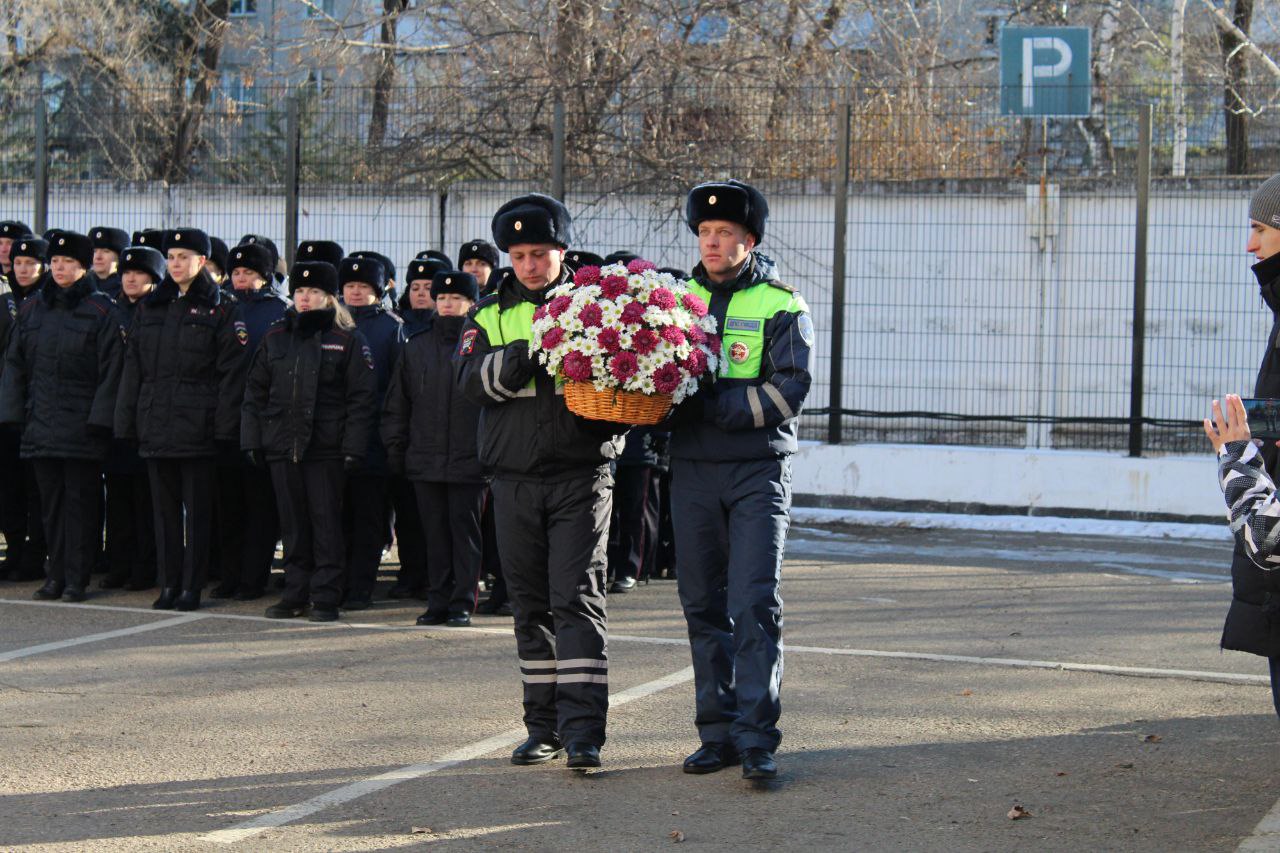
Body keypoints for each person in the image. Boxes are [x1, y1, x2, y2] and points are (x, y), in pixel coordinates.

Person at [456, 193, 625, 770]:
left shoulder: (597, 305)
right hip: (512, 479)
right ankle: (543, 727)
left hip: (581, 476)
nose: (530, 264)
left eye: (541, 253)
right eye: (520, 254)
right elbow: (470, 382)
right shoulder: (488, 312)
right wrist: (530, 352)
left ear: (563, 251)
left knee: (577, 602)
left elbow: (623, 381)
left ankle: (584, 733)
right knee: (529, 608)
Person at [667, 179, 812, 780]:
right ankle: (717, 733)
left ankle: (757, 737)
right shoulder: (671, 301)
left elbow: (791, 388)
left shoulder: (782, 303)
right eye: (704, 232)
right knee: (702, 604)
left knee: (753, 604)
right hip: (692, 471)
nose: (712, 242)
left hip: (757, 471)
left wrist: (715, 408)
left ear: (749, 240)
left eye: (724, 233)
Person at [114, 227, 248, 611]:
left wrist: (223, 428)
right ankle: (169, 584)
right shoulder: (152, 307)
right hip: (157, 423)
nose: (175, 264)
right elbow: (133, 369)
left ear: (201, 262)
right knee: (164, 514)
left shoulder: (222, 309)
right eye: (171, 257)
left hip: (199, 428)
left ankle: (192, 586)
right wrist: (127, 421)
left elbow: (230, 375)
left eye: (183, 257)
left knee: (199, 515)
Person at [241, 261, 376, 622]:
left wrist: (352, 447)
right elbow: (255, 392)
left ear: (330, 298)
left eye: (314, 292)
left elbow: (361, 399)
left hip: (326, 449)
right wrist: (253, 439)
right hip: (282, 446)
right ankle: (295, 592)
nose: (305, 298)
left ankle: (326, 595)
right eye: (300, 291)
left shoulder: (347, 340)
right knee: (293, 525)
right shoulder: (275, 337)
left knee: (326, 524)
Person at [0, 231, 124, 602]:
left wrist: (99, 422)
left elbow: (111, 372)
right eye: (55, 262)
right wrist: (13, 415)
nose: (59, 269)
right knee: (50, 507)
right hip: (41, 425)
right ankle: (54, 575)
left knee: (80, 507)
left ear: (82, 267)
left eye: (68, 263)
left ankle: (76, 578)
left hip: (82, 429)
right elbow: (15, 365)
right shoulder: (33, 309)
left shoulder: (101, 310)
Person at [384, 270, 485, 627]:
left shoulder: (481, 344)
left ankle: (462, 601)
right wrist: (397, 447)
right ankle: (438, 599)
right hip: (425, 458)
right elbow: (399, 402)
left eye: (455, 299)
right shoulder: (417, 346)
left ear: (471, 303)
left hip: (469, 459)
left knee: (464, 534)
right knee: (435, 535)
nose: (447, 305)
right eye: (442, 298)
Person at [210, 243, 288, 600]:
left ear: (265, 276)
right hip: (224, 418)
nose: (242, 279)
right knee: (228, 507)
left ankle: (254, 577)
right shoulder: (221, 307)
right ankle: (230, 575)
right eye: (237, 273)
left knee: (260, 506)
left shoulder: (278, 312)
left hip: (262, 421)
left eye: (250, 274)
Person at [338, 255, 405, 609]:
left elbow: (396, 386)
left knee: (367, 516)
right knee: (338, 515)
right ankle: (339, 579)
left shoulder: (390, 328)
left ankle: (361, 585)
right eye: (350, 286)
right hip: (336, 437)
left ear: (378, 291)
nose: (356, 292)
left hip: (373, 438)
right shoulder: (334, 323)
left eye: (363, 287)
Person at [100, 246, 165, 591]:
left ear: (153, 278)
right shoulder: (112, 312)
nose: (130, 278)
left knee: (146, 497)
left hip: (148, 415)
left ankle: (146, 564)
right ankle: (119, 562)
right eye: (126, 272)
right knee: (119, 495)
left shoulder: (158, 312)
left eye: (138, 273)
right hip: (115, 414)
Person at [0, 234, 48, 581]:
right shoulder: (6, 298)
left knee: (36, 489)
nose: (23, 269)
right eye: (18, 263)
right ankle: (15, 549)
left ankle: (35, 554)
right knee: (10, 486)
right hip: (8, 410)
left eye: (30, 263)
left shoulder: (45, 301)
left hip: (38, 409)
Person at [606, 426, 669, 593]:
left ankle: (630, 569)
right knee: (608, 517)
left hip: (639, 449)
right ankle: (608, 567)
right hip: (610, 451)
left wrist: (659, 435)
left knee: (635, 515)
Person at [87, 227, 129, 297]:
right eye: (94, 251)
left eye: (106, 251)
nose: (98, 257)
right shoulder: (80, 289)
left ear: (120, 256)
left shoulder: (128, 290)